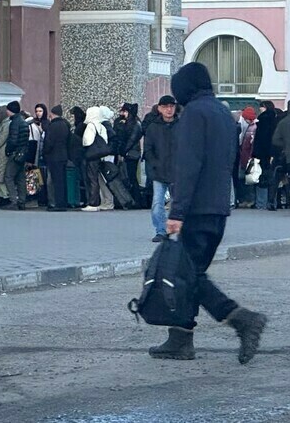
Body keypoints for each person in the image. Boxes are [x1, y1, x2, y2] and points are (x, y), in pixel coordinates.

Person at [149, 62, 266, 363]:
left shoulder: (194, 116)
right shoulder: (223, 115)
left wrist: (177, 211)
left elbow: (188, 167)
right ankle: (180, 339)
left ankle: (242, 319)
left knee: (187, 275)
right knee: (188, 275)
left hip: (197, 209)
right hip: (217, 207)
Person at [144, 95, 177, 242]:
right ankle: (161, 230)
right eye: (165, 107)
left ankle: (181, 230)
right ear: (160, 109)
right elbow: (148, 149)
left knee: (179, 204)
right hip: (159, 172)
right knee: (157, 203)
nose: (169, 110)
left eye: (171, 106)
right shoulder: (153, 127)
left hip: (177, 172)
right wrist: (154, 164)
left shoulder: (181, 125)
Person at [81, 106, 113, 212]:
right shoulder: (101, 125)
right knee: (98, 179)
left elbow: (87, 141)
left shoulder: (91, 125)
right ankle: (100, 201)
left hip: (91, 155)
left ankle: (93, 202)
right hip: (100, 155)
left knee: (92, 178)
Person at [114, 103, 144, 208]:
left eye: (125, 112)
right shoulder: (130, 123)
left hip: (132, 153)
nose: (124, 114)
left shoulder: (135, 124)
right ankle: (135, 199)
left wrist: (123, 151)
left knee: (132, 177)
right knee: (130, 177)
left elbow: (131, 140)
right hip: (131, 153)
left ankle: (137, 200)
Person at [1, 101, 30, 209]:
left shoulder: (14, 123)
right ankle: (22, 201)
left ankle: (13, 200)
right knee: (20, 178)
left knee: (8, 177)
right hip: (22, 153)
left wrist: (8, 150)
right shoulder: (23, 121)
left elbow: (13, 140)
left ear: (10, 111)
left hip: (15, 153)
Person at [42, 105, 71, 211]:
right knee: (62, 180)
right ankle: (63, 202)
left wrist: (44, 152)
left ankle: (58, 204)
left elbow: (48, 142)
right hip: (63, 155)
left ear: (52, 114)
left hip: (53, 156)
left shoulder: (52, 126)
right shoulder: (65, 125)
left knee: (55, 181)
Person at [252, 101, 277, 210]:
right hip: (272, 152)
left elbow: (261, 139)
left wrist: (256, 152)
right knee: (272, 177)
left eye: (261, 107)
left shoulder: (263, 120)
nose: (260, 109)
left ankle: (261, 202)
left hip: (263, 152)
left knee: (261, 177)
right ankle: (271, 201)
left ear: (265, 107)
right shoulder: (276, 119)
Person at [237, 106, 257, 208]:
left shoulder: (252, 128)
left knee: (249, 180)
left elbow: (250, 144)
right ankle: (247, 199)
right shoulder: (251, 127)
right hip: (245, 156)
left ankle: (249, 200)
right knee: (245, 179)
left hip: (248, 157)